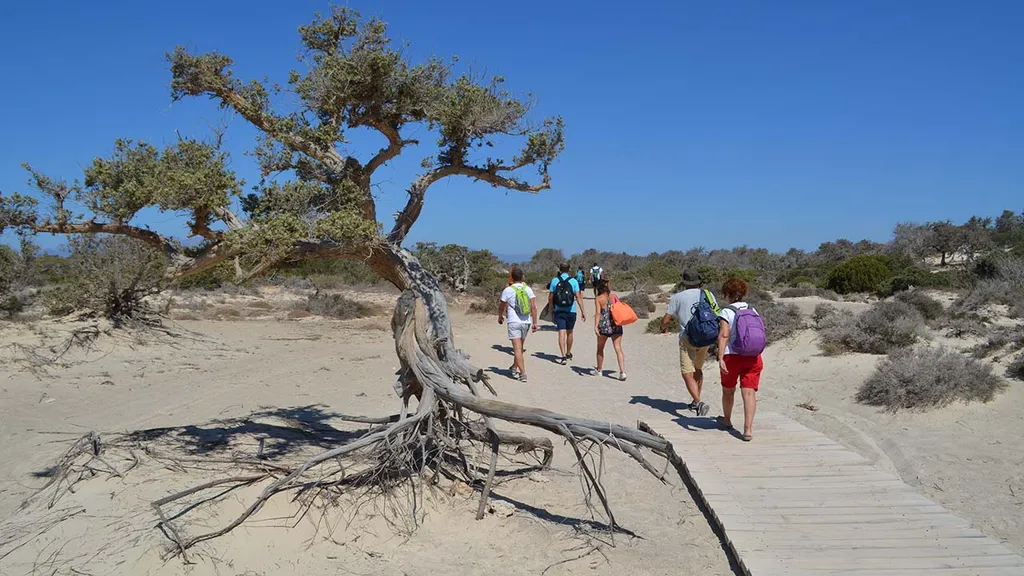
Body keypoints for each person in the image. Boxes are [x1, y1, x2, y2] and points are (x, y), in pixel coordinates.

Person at [661, 268, 719, 417]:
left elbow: (667, 318)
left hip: (687, 337)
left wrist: (663, 328)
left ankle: (698, 402)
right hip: (705, 336)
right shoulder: (708, 294)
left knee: (687, 372)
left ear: (684, 281)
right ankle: (695, 401)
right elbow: (716, 312)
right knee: (698, 369)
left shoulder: (678, 297)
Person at [716, 277, 764, 442]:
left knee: (728, 389)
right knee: (749, 392)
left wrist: (720, 356)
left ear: (726, 293)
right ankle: (748, 429)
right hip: (753, 356)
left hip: (732, 356)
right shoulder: (753, 309)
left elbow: (724, 335)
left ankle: (727, 419)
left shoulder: (726, 311)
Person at [498, 267, 538, 382]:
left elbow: (502, 305)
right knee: (519, 348)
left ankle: (523, 373)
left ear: (512, 277)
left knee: (517, 349)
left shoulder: (508, 290)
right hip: (526, 322)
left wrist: (500, 316)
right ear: (522, 277)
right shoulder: (528, 289)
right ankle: (514, 367)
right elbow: (534, 307)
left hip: (514, 322)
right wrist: (535, 322)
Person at [548, 262, 586, 364]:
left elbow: (551, 297)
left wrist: (551, 308)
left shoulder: (555, 281)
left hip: (559, 310)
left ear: (560, 269)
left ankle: (563, 356)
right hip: (571, 311)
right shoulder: (573, 281)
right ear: (569, 269)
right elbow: (578, 297)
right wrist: (583, 311)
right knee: (570, 332)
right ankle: (568, 352)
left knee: (561, 333)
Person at [593, 278, 627, 380]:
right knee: (618, 348)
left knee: (600, 348)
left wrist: (595, 326)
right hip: (616, 325)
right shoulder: (614, 297)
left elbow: (598, 313)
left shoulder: (599, 299)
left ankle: (599, 370)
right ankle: (622, 372)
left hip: (604, 326)